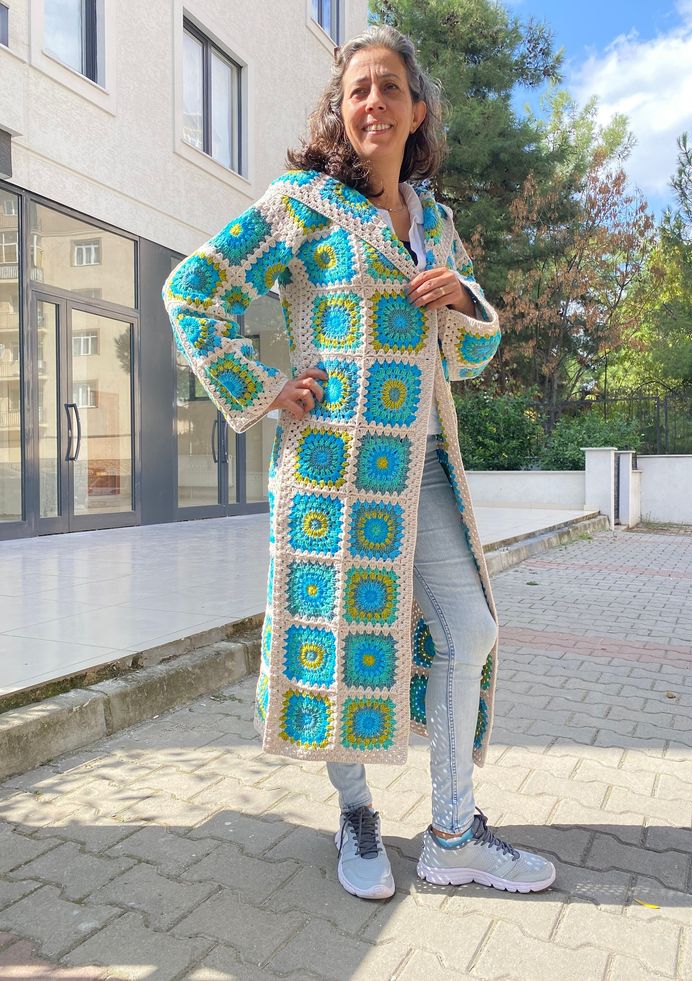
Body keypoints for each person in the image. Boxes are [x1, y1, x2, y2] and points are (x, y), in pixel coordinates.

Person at [163, 24, 555, 901]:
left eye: (389, 88)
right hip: (331, 474)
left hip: (421, 466)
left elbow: (458, 357)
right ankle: (358, 810)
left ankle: (453, 832)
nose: (373, 102)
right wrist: (264, 386)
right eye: (357, 92)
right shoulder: (300, 204)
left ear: (418, 110)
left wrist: (465, 298)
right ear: (342, 114)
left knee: (472, 629)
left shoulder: (438, 225)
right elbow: (192, 289)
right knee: (337, 649)